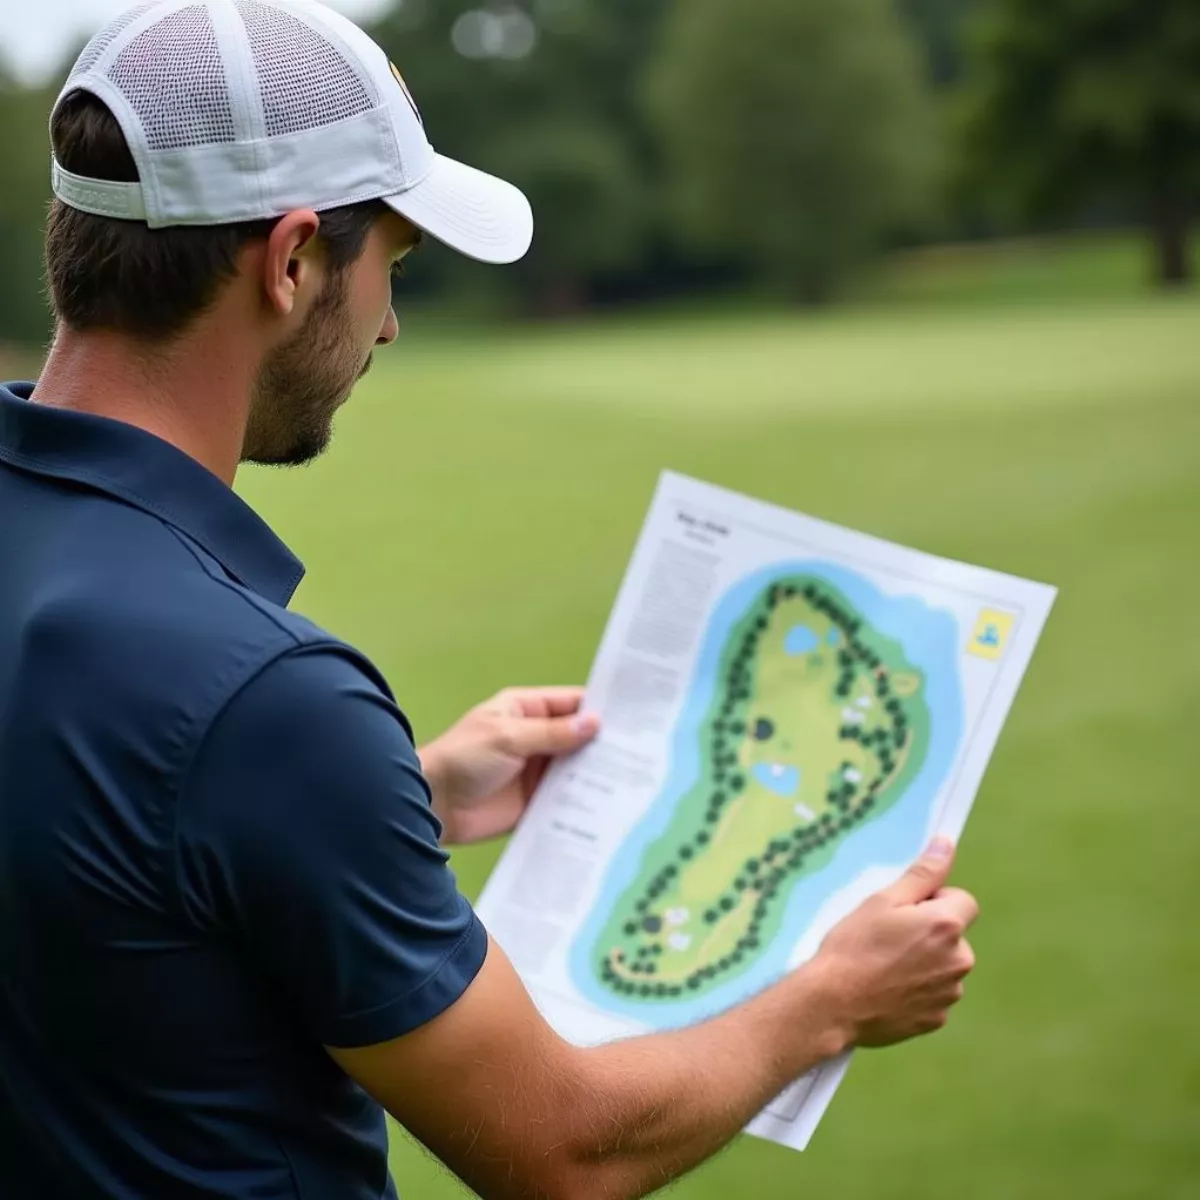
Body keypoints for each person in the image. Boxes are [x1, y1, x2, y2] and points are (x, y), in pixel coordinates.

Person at [0, 2, 978, 1197]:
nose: (391, 324)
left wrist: (399, 789)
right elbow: (563, 1151)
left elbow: (74, 811)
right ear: (294, 258)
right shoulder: (265, 705)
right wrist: (831, 998)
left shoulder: (227, 713)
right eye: (392, 267)